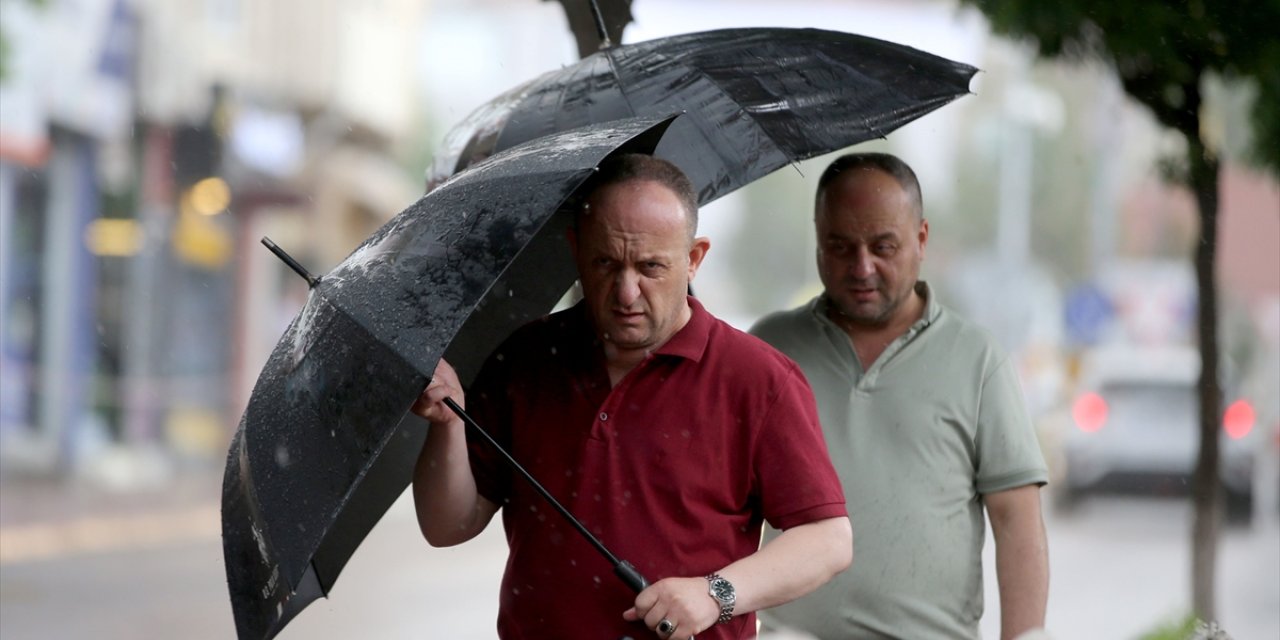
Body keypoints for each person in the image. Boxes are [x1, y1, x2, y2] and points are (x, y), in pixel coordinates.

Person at [411, 153, 852, 640]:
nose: (626, 292)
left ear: (694, 259)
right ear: (576, 249)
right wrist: (448, 423)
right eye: (606, 263)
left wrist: (716, 593)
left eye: (650, 267)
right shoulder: (526, 358)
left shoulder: (758, 380)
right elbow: (447, 526)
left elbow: (828, 539)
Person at [751, 153, 1050, 640]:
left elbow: (1016, 520)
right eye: (840, 246)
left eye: (883, 246)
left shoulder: (977, 359)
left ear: (922, 240)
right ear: (818, 243)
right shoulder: (769, 349)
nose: (862, 266)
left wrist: (1025, 637)